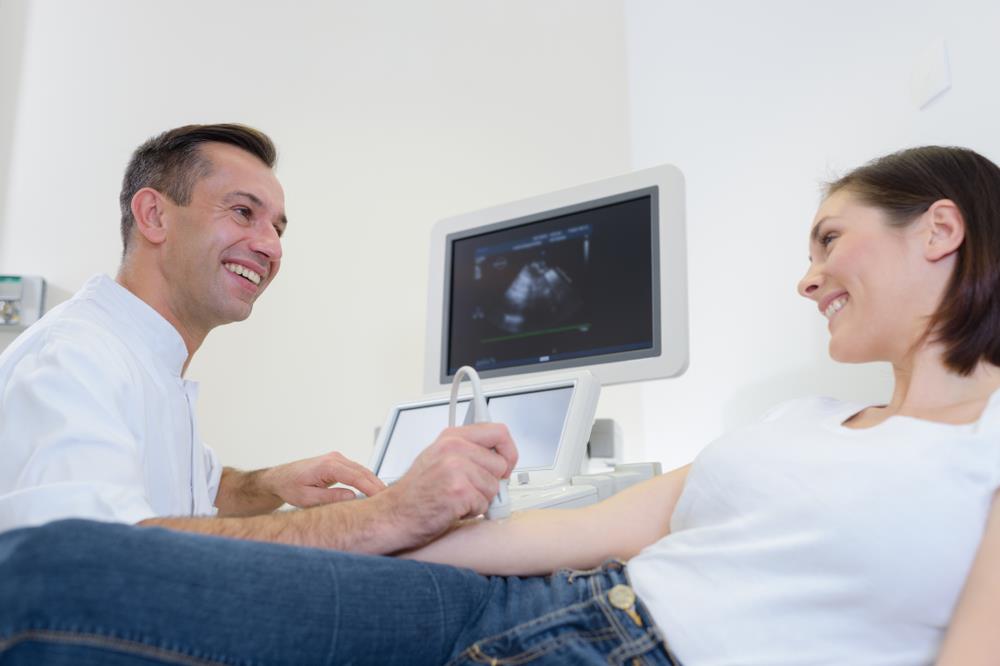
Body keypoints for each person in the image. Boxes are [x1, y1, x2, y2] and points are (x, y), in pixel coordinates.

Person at [1, 145, 998, 665]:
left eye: (828, 239)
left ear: (939, 230)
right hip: (520, 603)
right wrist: (369, 529)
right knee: (62, 566)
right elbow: (579, 530)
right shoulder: (805, 420)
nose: (807, 274)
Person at [0, 124, 517, 554]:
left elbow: (196, 491)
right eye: (243, 212)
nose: (270, 246)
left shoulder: (145, 362)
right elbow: (96, 549)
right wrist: (387, 516)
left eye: (278, 228)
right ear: (154, 215)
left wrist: (270, 484)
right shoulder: (73, 358)